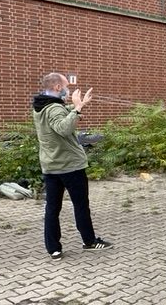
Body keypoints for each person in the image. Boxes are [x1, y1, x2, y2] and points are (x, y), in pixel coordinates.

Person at [32, 73, 112, 260]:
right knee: (81, 205)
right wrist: (77, 108)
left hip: (51, 166)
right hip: (69, 166)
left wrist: (80, 105)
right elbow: (63, 127)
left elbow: (59, 112)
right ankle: (90, 241)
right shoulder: (53, 109)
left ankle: (54, 249)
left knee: (52, 208)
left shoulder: (40, 106)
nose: (69, 90)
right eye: (67, 86)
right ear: (58, 87)